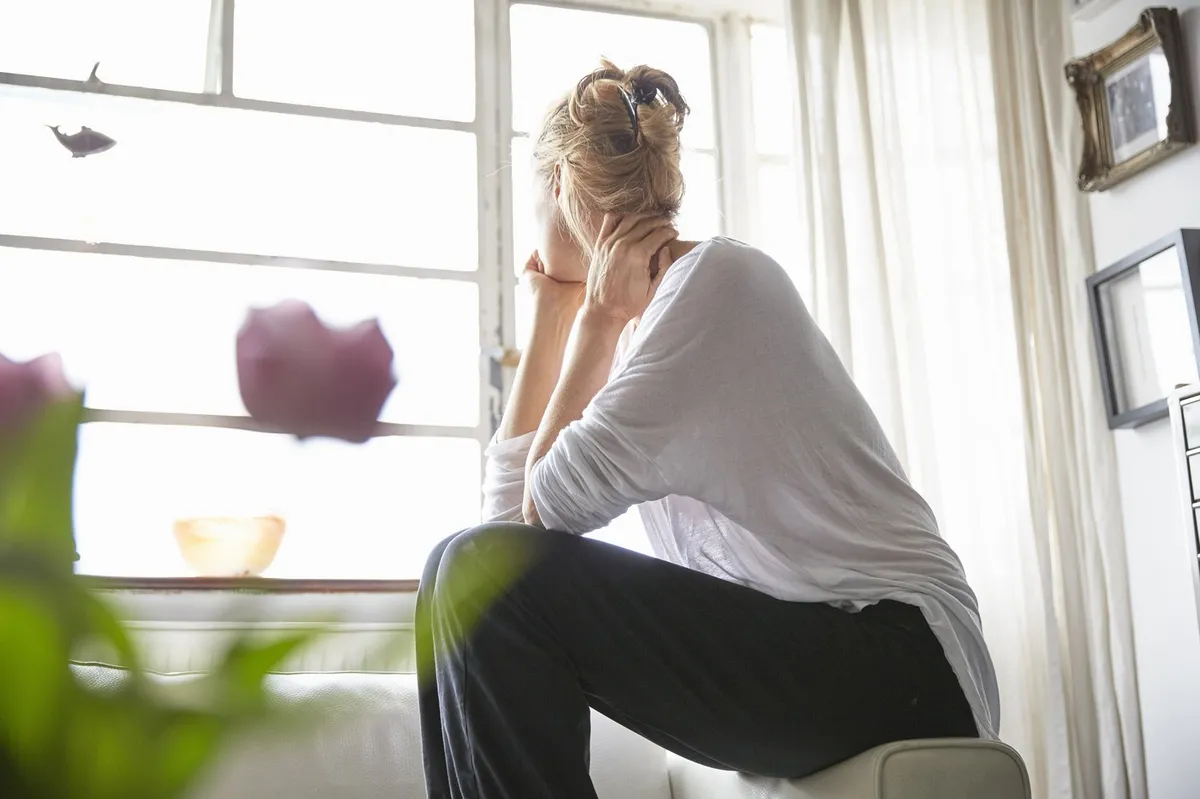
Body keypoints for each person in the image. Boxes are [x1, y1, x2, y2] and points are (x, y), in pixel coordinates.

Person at [416, 60, 999, 799]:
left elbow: (541, 509)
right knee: (451, 568)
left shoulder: (715, 286)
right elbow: (505, 534)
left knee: (476, 570)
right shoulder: (644, 328)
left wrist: (590, 321)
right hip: (816, 645)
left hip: (905, 656)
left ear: (557, 185)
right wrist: (551, 316)